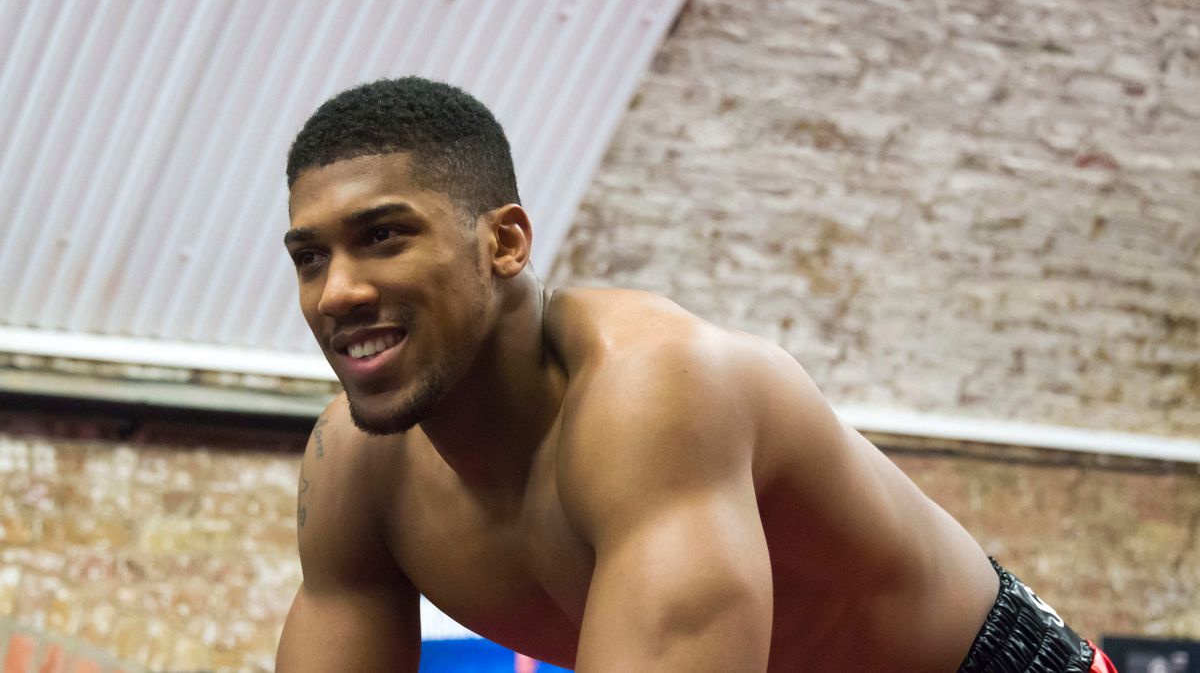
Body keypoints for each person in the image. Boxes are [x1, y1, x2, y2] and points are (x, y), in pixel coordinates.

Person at [274, 77, 1115, 672]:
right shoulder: (353, 470)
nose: (337, 291)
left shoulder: (652, 393)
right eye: (310, 257)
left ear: (505, 242)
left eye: (383, 237)